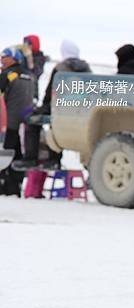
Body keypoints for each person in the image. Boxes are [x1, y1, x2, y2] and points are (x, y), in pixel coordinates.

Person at [12, 40, 91, 170]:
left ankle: (31, 159)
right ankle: (54, 160)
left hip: (59, 108)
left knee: (32, 120)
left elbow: (50, 92)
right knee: (54, 123)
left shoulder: (60, 68)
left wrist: (42, 107)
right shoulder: (87, 69)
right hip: (81, 111)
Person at [0, 46, 34, 195]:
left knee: (4, 155)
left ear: (13, 58)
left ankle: (4, 187)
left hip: (7, 123)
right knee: (17, 155)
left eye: (4, 56)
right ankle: (15, 187)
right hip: (24, 123)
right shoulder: (29, 76)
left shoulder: (8, 75)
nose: (1, 59)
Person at [22, 35, 47, 100]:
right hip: (20, 91)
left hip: (32, 92)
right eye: (24, 44)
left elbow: (36, 72)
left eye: (29, 44)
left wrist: (29, 58)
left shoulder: (40, 57)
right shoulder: (22, 56)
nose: (26, 46)